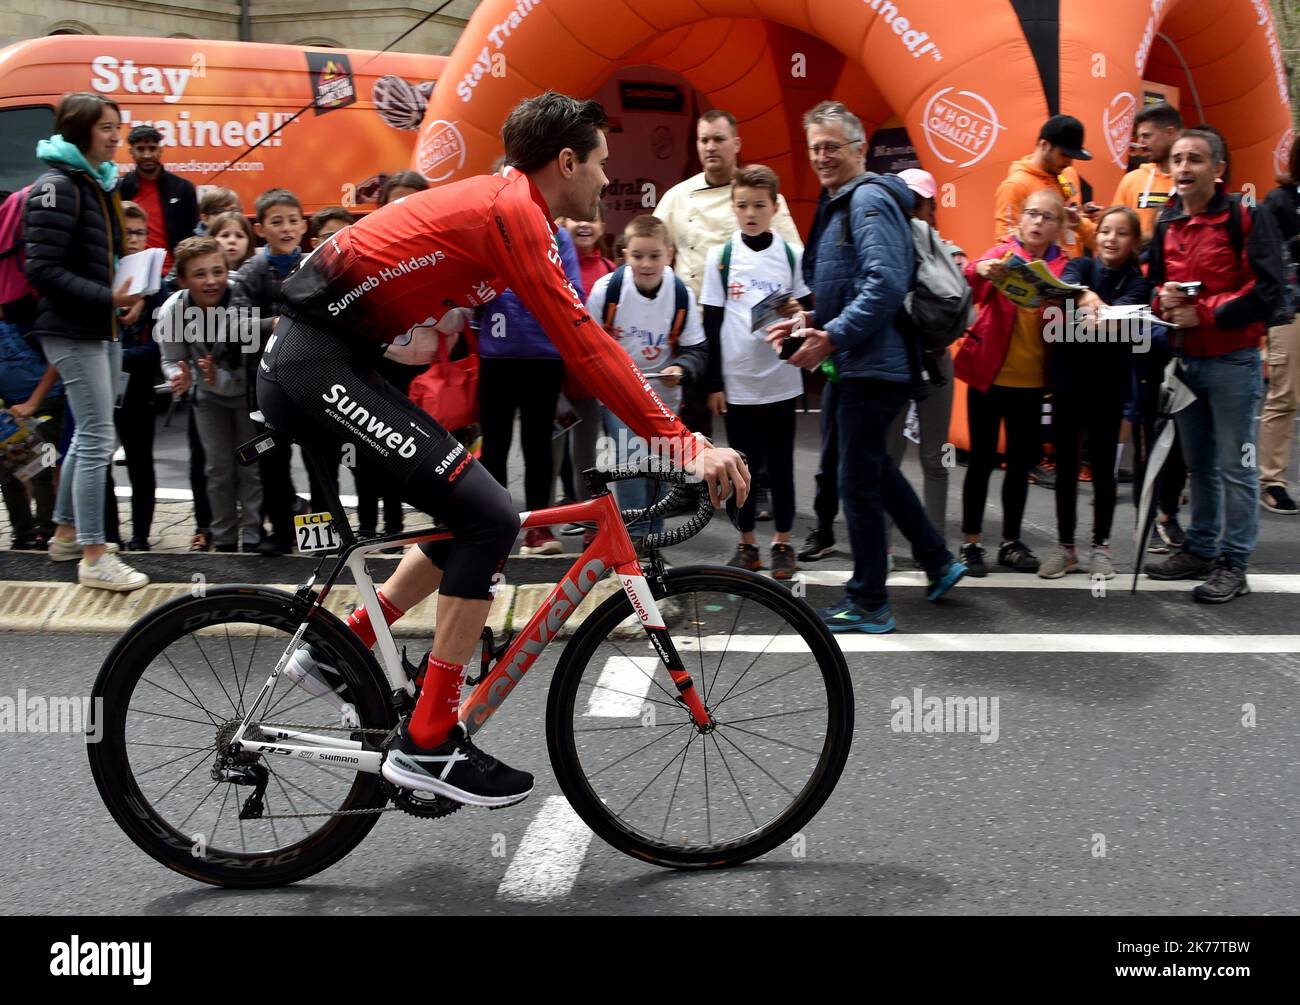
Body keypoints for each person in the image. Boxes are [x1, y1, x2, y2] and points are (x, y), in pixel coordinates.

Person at [260, 91, 747, 807]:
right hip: (316, 364)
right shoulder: (511, 209)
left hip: (340, 359)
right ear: (568, 159)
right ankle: (430, 741)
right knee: (490, 514)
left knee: (473, 508)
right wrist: (679, 443)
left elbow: (552, 327)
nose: (606, 179)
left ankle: (342, 647)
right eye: (601, 163)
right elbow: (582, 341)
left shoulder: (513, 206)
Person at [767, 101, 964, 634]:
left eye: (833, 146)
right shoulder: (847, 200)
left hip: (871, 365)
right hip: (864, 361)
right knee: (873, 467)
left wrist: (831, 337)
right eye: (815, 149)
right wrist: (809, 320)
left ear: (859, 149)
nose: (823, 157)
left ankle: (870, 601)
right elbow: (853, 286)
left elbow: (885, 284)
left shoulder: (869, 199)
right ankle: (938, 560)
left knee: (856, 481)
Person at [1145, 128, 1285, 602]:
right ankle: (1201, 548)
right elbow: (1154, 286)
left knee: (1236, 466)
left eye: (1196, 159)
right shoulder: (1165, 222)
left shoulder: (1247, 216)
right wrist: (1163, 304)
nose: (1183, 168)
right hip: (1186, 363)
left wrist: (1203, 311)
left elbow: (1269, 292)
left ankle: (1234, 562)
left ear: (1219, 169)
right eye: (1178, 159)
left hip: (1234, 363)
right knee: (1199, 464)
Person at [24, 92, 148, 591]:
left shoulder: (93, 183)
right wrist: (108, 297)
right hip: (74, 328)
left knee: (88, 436)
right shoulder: (57, 187)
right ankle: (95, 555)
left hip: (97, 326)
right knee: (98, 437)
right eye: (105, 128)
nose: (116, 135)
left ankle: (66, 533)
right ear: (80, 131)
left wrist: (117, 298)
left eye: (118, 126)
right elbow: (42, 268)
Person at [654, 109, 802, 439]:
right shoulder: (677, 197)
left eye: (719, 139)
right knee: (692, 424)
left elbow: (792, 258)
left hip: (744, 333)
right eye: (704, 140)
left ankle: (754, 485)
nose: (710, 147)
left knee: (752, 428)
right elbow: (652, 254)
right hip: (692, 329)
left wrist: (757, 317)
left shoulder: (759, 195)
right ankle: (694, 489)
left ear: (736, 144)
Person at [700, 166, 809, 578]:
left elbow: (804, 318)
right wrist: (714, 383)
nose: (750, 212)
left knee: (781, 468)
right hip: (739, 384)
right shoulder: (721, 258)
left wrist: (799, 314)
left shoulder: (791, 256)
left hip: (781, 382)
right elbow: (711, 321)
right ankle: (747, 546)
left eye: (759, 205)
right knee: (740, 472)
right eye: (742, 205)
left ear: (775, 207)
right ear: (732, 207)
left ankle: (782, 542)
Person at [956, 189, 1072, 577]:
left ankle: (1010, 542)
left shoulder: (1064, 268)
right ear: (1020, 220)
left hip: (1034, 382)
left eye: (1048, 217)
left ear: (1058, 226)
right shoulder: (1001, 255)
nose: (1039, 222)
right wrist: (979, 270)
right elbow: (970, 275)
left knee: (1020, 465)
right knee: (981, 462)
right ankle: (971, 543)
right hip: (989, 379)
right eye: (1033, 215)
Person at [1039, 206, 1151, 579]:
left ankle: (1100, 546)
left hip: (1109, 386)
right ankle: (1065, 547)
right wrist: (1083, 295)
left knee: (1103, 470)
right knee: (1066, 467)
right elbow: (1065, 284)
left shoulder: (1137, 282)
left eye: (1121, 233)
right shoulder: (1083, 267)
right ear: (1095, 235)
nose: (1111, 239)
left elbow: (1117, 318)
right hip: (1068, 382)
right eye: (1105, 231)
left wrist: (1091, 311)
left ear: (1134, 242)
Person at [589, 214, 707, 547]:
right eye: (638, 256)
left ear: (669, 255)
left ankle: (653, 544)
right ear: (625, 254)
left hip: (662, 399)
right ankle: (636, 544)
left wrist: (681, 368)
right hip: (620, 397)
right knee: (630, 467)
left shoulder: (680, 292)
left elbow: (697, 349)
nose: (646, 263)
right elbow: (586, 345)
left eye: (654, 256)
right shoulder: (606, 291)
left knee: (662, 473)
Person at [479, 208, 585, 556]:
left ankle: (539, 528)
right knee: (494, 445)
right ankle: (492, 526)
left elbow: (574, 292)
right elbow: (471, 286)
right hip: (496, 356)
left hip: (543, 355)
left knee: (537, 444)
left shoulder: (558, 236)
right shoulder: (486, 232)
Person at [158, 237, 264, 552]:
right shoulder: (173, 310)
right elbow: (169, 359)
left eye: (217, 271)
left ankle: (254, 532)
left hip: (247, 392)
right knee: (217, 468)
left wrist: (220, 377)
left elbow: (255, 358)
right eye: (200, 274)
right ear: (183, 280)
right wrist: (179, 376)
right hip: (207, 397)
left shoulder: (241, 298)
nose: (211, 281)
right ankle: (224, 537)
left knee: (251, 465)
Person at [232, 187, 309, 554]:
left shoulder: (315, 265)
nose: (286, 228)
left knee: (318, 461)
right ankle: (280, 532)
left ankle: (321, 535)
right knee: (271, 461)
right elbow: (234, 326)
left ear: (303, 225)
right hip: (264, 384)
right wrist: (273, 324)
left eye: (292, 220)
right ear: (260, 228)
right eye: (276, 221)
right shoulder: (250, 272)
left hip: (311, 382)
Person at [886, 168, 959, 547]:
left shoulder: (946, 252)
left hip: (934, 362)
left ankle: (935, 547)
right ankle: (882, 548)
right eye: (907, 201)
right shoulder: (882, 249)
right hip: (895, 364)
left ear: (932, 208)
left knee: (936, 458)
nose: (912, 210)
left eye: (920, 203)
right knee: (888, 458)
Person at [552, 209, 614, 532]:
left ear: (603, 227)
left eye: (593, 218)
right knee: (550, 455)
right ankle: (543, 527)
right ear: (563, 225)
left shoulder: (611, 273)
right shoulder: (554, 262)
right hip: (556, 380)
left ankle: (591, 526)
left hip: (590, 384)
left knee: (587, 458)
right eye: (577, 218)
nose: (585, 224)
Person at [114, 201, 164, 551]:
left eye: (139, 233)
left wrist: (119, 357)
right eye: (126, 232)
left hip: (138, 388)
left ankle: (141, 537)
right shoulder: (102, 280)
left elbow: (159, 349)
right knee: (98, 460)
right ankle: (107, 534)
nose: (133, 239)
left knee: (140, 462)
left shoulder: (157, 289)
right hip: (103, 386)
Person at [1258, 135, 1300, 515]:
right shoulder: (1279, 201)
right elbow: (1269, 259)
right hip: (1290, 310)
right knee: (1284, 397)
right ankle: (1271, 480)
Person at [993, 114, 1099, 259]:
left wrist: (1081, 219)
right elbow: (1004, 245)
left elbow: (1074, 226)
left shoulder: (1069, 174)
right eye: (1064, 154)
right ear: (1044, 145)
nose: (1069, 162)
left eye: (1073, 156)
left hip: (1072, 272)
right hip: (1040, 276)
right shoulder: (1015, 185)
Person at [0, 318, 63, 549]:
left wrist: (34, 402)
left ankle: (48, 531)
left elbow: (56, 359)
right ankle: (23, 532)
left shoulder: (27, 318)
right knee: (9, 474)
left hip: (45, 403)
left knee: (43, 470)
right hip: (9, 409)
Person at [118, 124, 199, 275]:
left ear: (160, 150)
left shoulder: (183, 188)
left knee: (180, 300)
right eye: (141, 149)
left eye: (152, 148)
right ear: (131, 152)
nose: (147, 155)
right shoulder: (120, 189)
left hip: (174, 278)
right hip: (132, 275)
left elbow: (193, 236)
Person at [1112, 103, 1182, 239]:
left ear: (1170, 133)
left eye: (1146, 136)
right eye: (1139, 137)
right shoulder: (1131, 180)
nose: (1141, 143)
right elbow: (1113, 231)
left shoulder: (1192, 181)